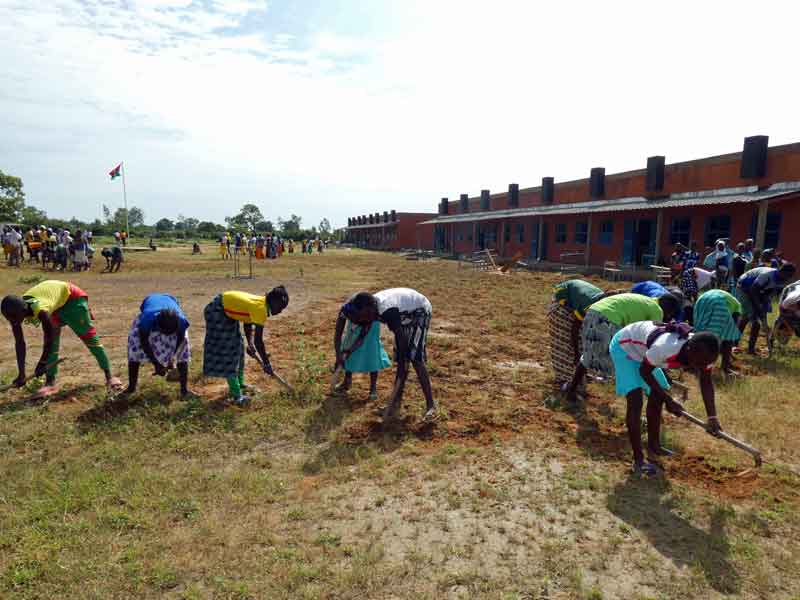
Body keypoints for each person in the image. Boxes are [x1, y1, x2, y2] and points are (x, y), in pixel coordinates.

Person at [610, 321, 721, 475]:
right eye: (700, 363)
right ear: (689, 350)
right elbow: (644, 371)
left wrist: (712, 417)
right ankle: (638, 460)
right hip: (625, 346)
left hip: (645, 351)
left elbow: (706, 382)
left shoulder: (704, 353)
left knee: (657, 396)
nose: (703, 367)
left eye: (707, 363)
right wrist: (669, 400)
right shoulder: (666, 348)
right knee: (635, 400)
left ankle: (654, 445)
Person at [1, 280, 122, 396]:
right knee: (53, 346)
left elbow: (49, 338)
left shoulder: (42, 311)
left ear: (23, 311)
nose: (13, 322)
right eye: (10, 319)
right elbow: (19, 342)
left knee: (89, 338)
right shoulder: (15, 310)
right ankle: (50, 383)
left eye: (15, 319)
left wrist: (42, 363)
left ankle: (110, 376)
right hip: (56, 301)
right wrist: (21, 374)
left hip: (73, 299)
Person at [335, 288, 435, 421]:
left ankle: (431, 406)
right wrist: (344, 353)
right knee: (401, 360)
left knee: (414, 357)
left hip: (419, 310)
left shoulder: (387, 311)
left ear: (372, 309)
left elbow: (402, 341)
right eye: (361, 317)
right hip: (402, 315)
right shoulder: (360, 310)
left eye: (365, 316)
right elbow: (355, 333)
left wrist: (402, 368)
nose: (363, 320)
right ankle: (395, 405)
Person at [563, 292, 680, 403]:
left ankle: (571, 390)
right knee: (624, 363)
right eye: (669, 315)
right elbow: (650, 344)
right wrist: (661, 370)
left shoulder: (648, 302)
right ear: (668, 311)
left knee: (589, 355)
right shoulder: (657, 310)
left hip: (594, 311)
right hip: (608, 318)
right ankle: (637, 402)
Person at [202, 286, 289, 406]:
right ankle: (237, 396)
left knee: (239, 348)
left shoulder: (261, 303)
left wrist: (250, 343)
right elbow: (259, 341)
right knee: (230, 352)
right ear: (274, 301)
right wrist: (266, 363)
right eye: (280, 307)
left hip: (227, 312)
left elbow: (247, 321)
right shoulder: (261, 308)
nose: (280, 311)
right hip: (217, 311)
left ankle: (240, 383)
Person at [122, 294, 195, 398]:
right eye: (164, 332)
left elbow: (180, 340)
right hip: (149, 310)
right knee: (134, 349)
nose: (167, 335)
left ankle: (184, 390)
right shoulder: (146, 320)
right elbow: (144, 342)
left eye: (171, 332)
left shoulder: (182, 322)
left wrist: (173, 358)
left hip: (170, 301)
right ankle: (131, 387)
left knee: (183, 353)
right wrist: (156, 363)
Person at [549, 279, 614, 388]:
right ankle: (563, 378)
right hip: (563, 298)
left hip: (578, 299)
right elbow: (575, 329)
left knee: (584, 339)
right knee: (564, 341)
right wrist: (576, 354)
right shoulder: (589, 306)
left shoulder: (607, 307)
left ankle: (580, 372)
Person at [737, 263, 797, 354]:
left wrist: (763, 310)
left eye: (791, 276)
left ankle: (750, 349)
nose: (789, 278)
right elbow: (753, 290)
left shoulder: (782, 281)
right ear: (782, 271)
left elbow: (769, 294)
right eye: (788, 275)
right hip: (745, 287)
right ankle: (735, 343)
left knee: (758, 319)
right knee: (750, 318)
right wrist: (758, 308)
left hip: (760, 291)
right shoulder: (767, 275)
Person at [334, 317, 391, 401]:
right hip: (355, 318)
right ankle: (347, 381)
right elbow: (338, 334)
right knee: (348, 342)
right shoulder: (347, 310)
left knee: (372, 351)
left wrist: (350, 350)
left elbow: (362, 336)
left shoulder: (373, 308)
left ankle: (373, 388)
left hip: (372, 320)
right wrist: (338, 356)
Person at [692, 289, 741, 374]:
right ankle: (724, 368)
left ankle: (693, 363)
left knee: (701, 333)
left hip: (702, 299)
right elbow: (729, 333)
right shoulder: (738, 307)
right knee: (726, 336)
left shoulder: (730, 300)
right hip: (718, 303)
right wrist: (728, 352)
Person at [771, 281, 800, 348]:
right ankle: (771, 340)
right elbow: (781, 315)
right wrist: (789, 327)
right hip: (791, 289)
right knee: (781, 320)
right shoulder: (788, 301)